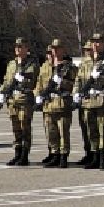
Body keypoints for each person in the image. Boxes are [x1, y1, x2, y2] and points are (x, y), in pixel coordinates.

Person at [76, 32, 104, 170]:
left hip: (102, 100)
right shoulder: (85, 62)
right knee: (91, 130)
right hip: (88, 101)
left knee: (102, 129)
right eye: (93, 42)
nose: (95, 45)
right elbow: (79, 79)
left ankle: (103, 158)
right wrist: (76, 93)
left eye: (98, 42)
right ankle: (94, 156)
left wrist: (100, 78)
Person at [35, 39, 76, 169]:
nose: (55, 51)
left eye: (58, 48)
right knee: (51, 131)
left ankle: (63, 156)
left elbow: (74, 85)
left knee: (63, 131)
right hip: (48, 104)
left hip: (62, 103)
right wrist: (38, 95)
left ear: (63, 50)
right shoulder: (45, 67)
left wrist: (63, 83)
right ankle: (54, 154)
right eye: (53, 48)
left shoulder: (69, 67)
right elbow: (39, 83)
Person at [0, 38, 40, 166]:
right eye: (16, 46)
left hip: (24, 99)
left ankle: (24, 155)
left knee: (25, 127)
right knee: (16, 128)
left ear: (27, 48)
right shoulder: (11, 64)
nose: (18, 48)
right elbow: (6, 80)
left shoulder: (32, 64)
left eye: (21, 46)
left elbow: (36, 81)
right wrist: (1, 92)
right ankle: (17, 154)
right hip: (12, 100)